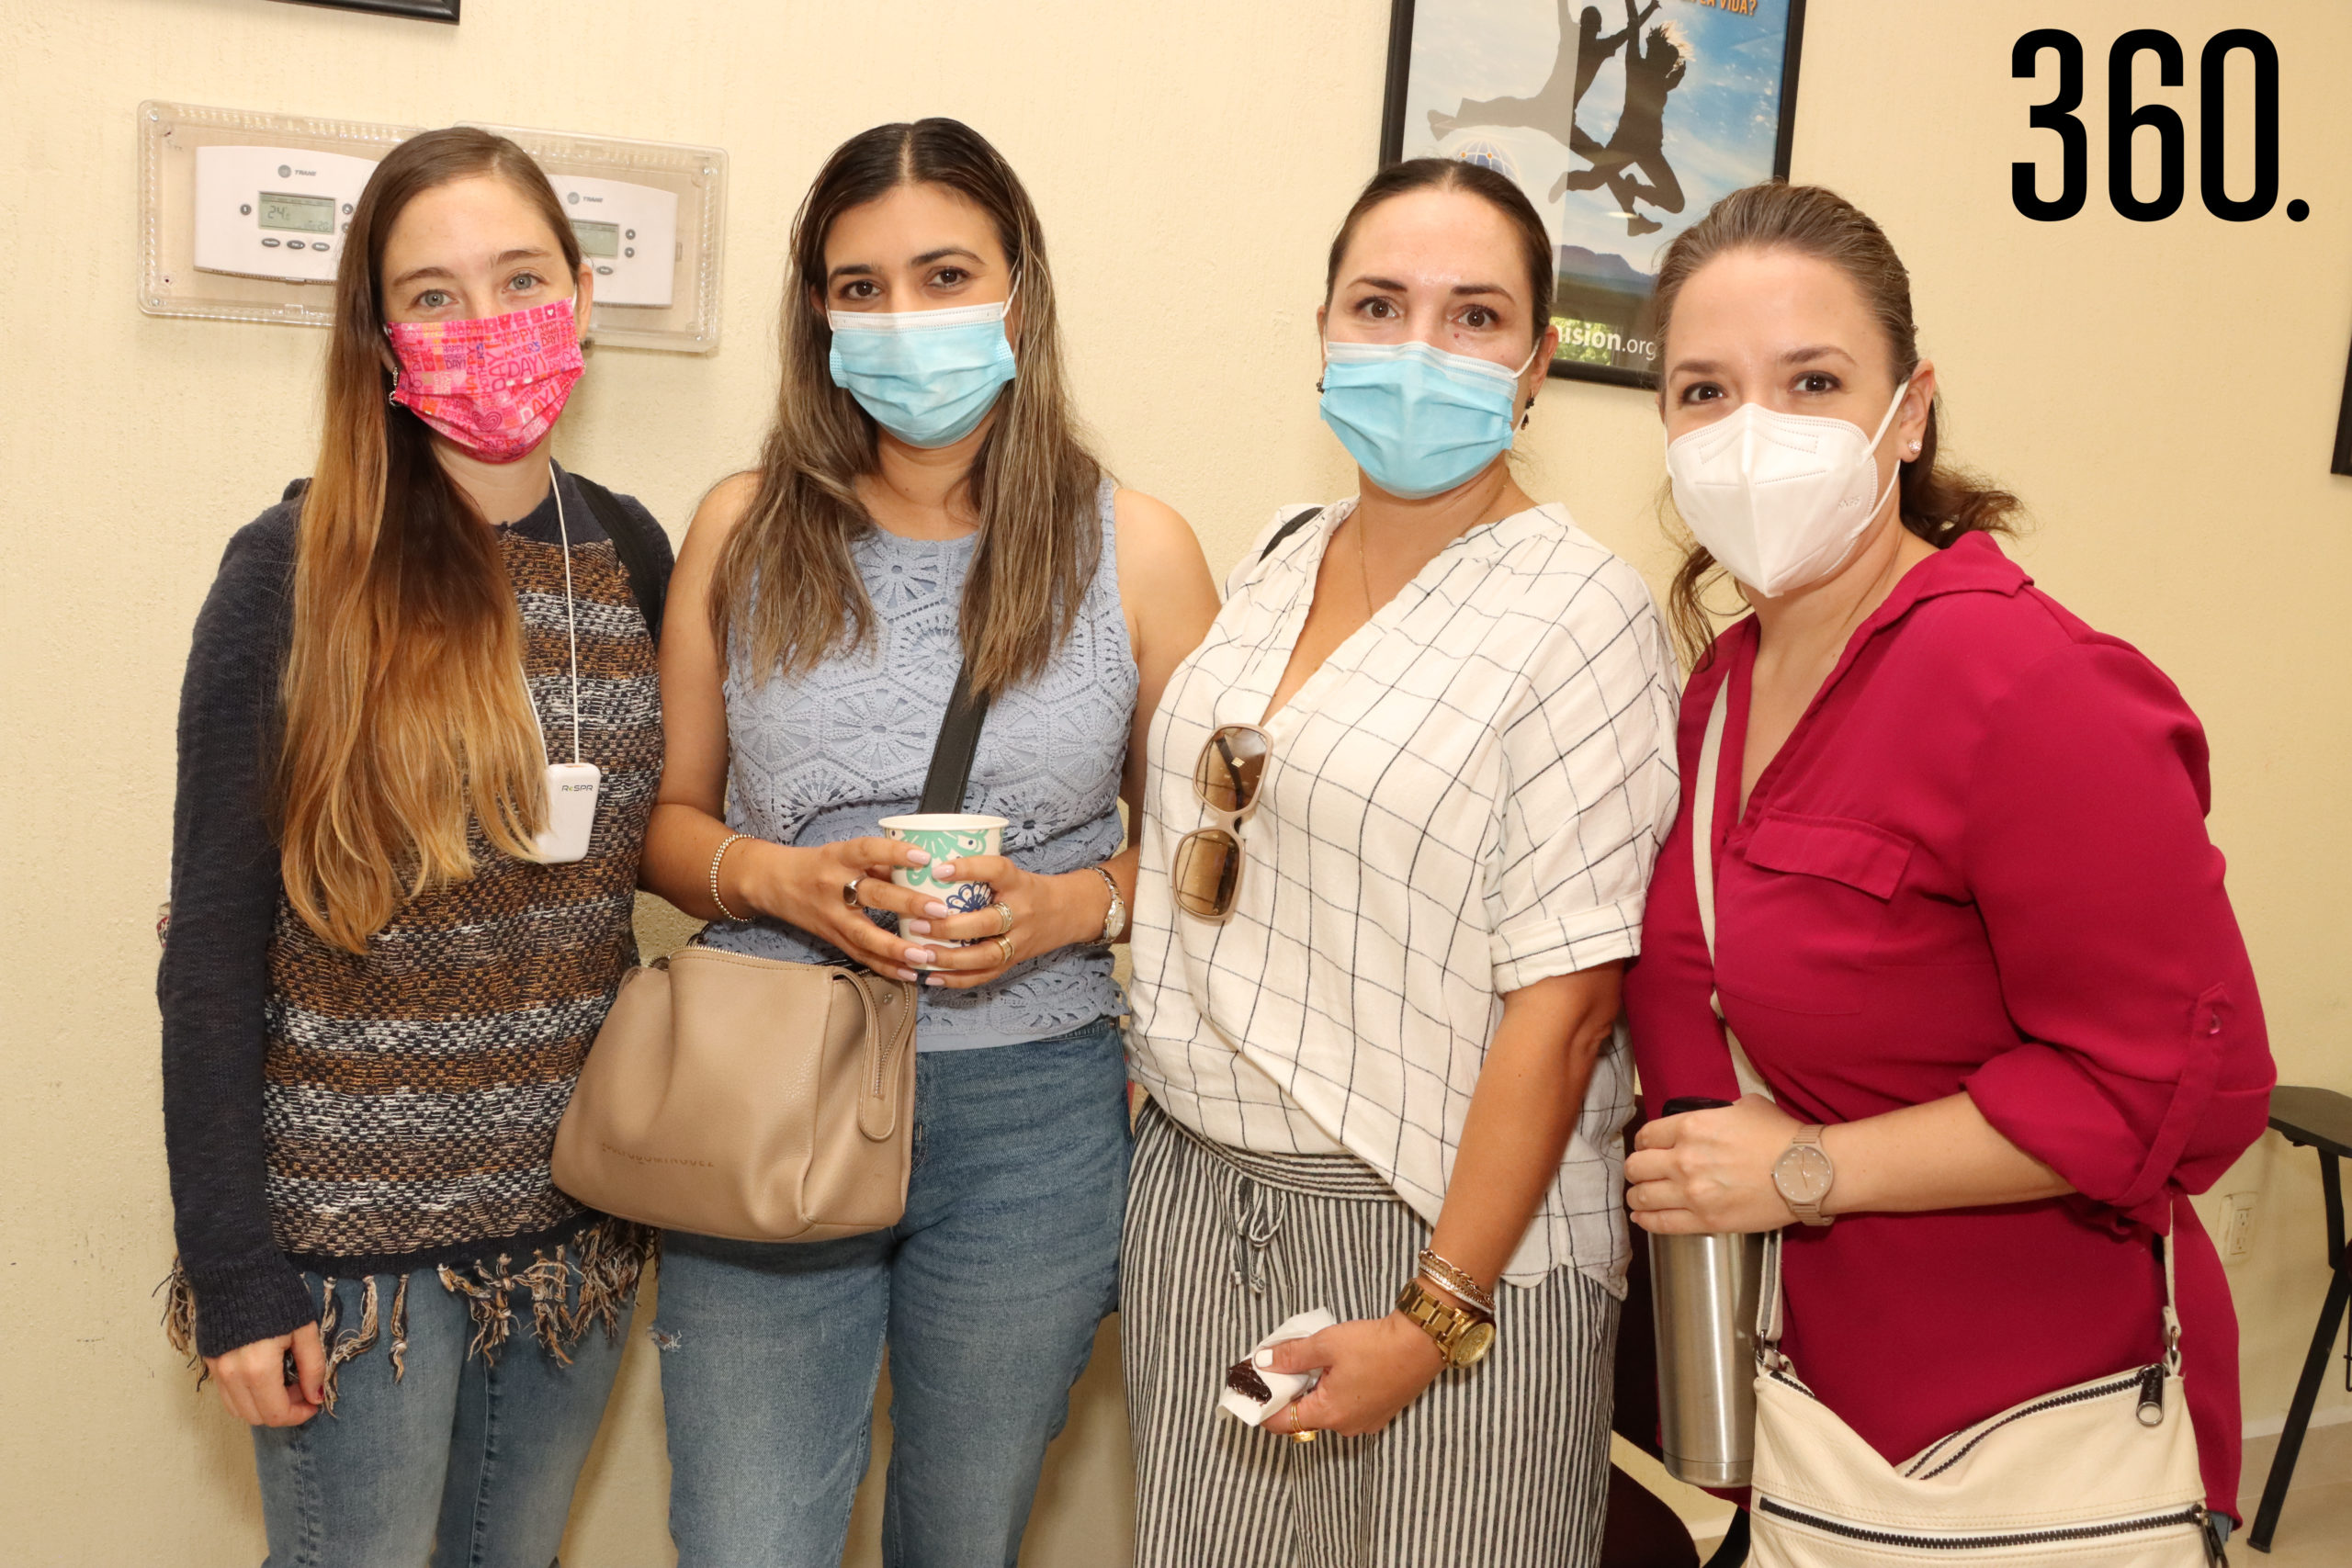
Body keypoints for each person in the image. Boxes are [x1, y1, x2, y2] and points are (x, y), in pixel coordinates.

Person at [1621, 181, 2274, 1536]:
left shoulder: (2030, 686)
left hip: (2021, 1425)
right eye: (1704, 391)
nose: (1755, 435)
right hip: (1805, 1409)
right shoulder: (1727, 686)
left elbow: (2178, 1093)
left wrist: (1811, 1168)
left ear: (1908, 413)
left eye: (1812, 382)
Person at [638, 118, 1219, 1566]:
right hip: (773, 1089)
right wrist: (778, 879)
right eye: (860, 287)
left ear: (1018, 290)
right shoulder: (743, 528)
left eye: (945, 273)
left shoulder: (1136, 548)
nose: (904, 318)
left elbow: (1225, 858)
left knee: (964, 1539)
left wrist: (1073, 905)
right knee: (746, 1541)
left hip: (1037, 1116)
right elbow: (662, 827)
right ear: (816, 313)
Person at [1121, 156, 1680, 1566]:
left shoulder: (1583, 617)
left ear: (1539, 360)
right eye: (1379, 304)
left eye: (1474, 315)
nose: (1419, 347)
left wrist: (1433, 1316)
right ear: (1322, 330)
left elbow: (1567, 1013)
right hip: (1201, 1194)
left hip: (1436, 1236)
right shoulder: (1281, 552)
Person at [159, 127, 671, 1567]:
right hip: (348, 1247)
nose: (485, 321)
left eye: (519, 277)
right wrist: (236, 1275)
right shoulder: (295, 570)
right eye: (434, 294)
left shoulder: (631, 555)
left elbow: (685, 840)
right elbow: (206, 954)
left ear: (579, 293)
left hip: (576, 1231)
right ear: (379, 333)